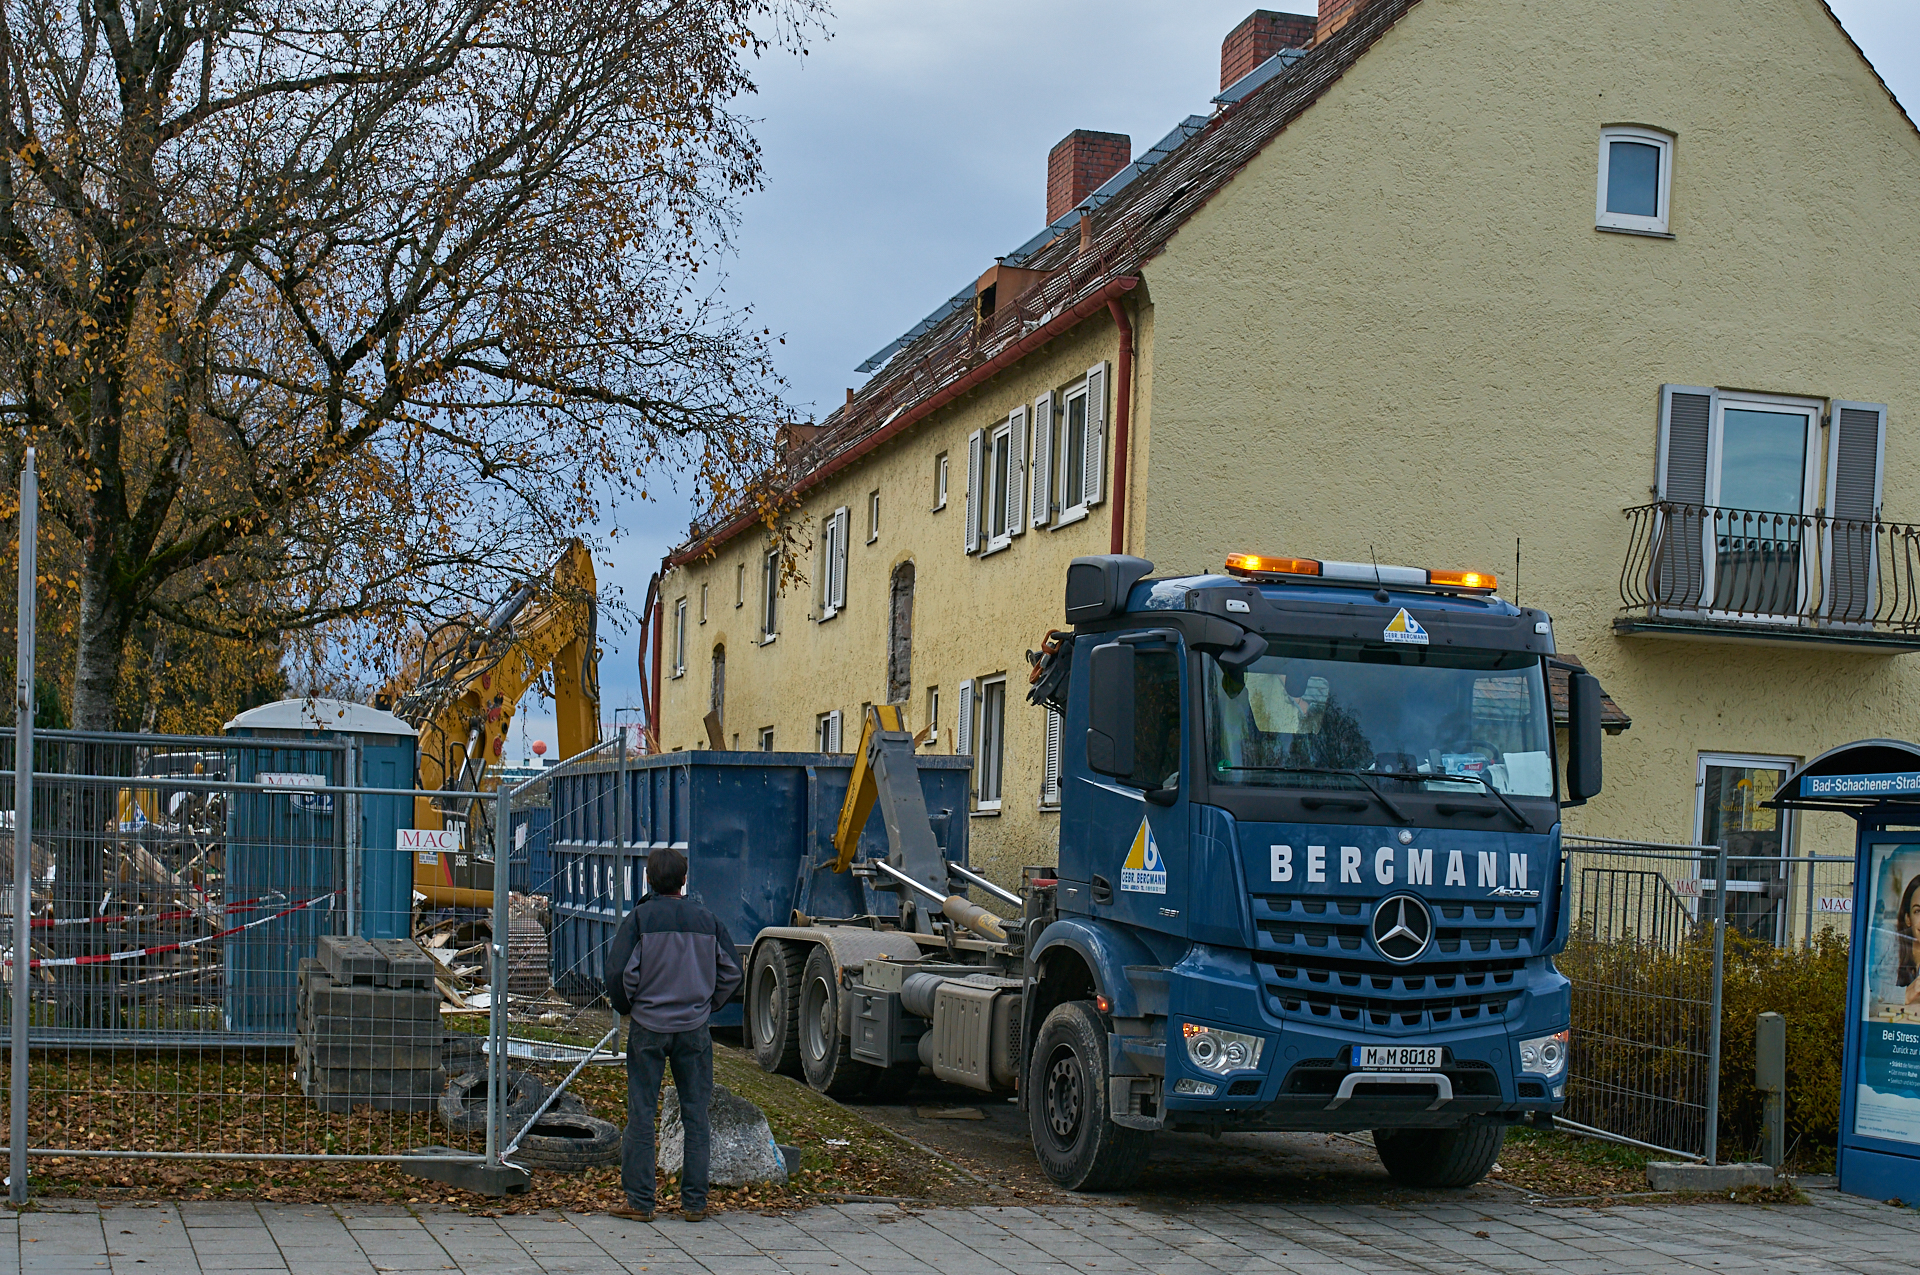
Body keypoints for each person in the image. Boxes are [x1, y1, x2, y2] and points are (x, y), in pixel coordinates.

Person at [602, 846, 743, 1222]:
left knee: (641, 1114)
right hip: (694, 1030)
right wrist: (707, 1005)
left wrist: (629, 1007)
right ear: (684, 880)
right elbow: (732, 972)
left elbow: (619, 975)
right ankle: (695, 1203)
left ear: (648, 879)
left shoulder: (638, 920)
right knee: (696, 1116)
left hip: (649, 1028)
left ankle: (640, 1202)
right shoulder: (708, 920)